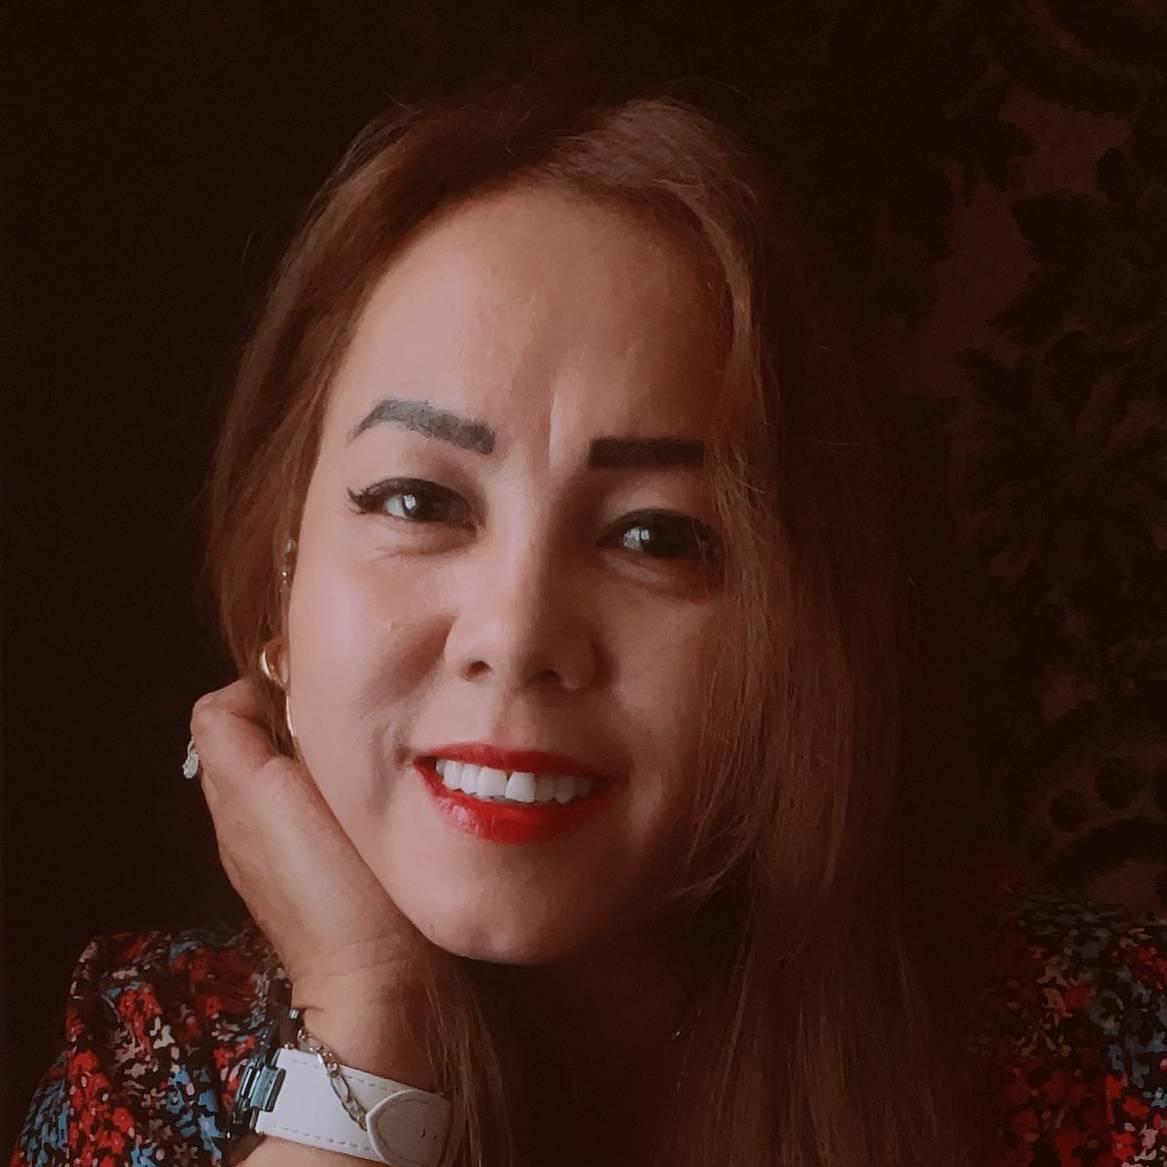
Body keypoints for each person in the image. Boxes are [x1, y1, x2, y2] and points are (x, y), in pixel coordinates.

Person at [10, 88, 1167, 1167]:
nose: (516, 634)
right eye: (418, 502)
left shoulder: (1104, 1051)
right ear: (284, 578)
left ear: (798, 618)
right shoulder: (153, 1056)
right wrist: (364, 1044)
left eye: (654, 535)